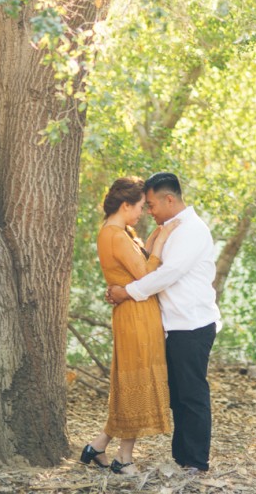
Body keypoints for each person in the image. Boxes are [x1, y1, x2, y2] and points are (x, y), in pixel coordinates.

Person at [107, 172, 221, 475]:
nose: (149, 211)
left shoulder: (192, 230)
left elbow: (166, 274)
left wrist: (125, 293)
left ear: (169, 199)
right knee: (178, 395)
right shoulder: (168, 229)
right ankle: (182, 456)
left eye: (153, 204)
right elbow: (147, 264)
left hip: (192, 324)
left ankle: (196, 461)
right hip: (171, 326)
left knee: (192, 394)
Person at [80, 176, 179, 474]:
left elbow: (138, 261)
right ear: (125, 205)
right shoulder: (114, 235)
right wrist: (162, 240)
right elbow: (145, 274)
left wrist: (153, 240)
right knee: (134, 382)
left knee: (129, 384)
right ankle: (124, 458)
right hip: (135, 316)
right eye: (139, 207)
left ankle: (98, 447)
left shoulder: (121, 233)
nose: (142, 213)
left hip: (138, 313)